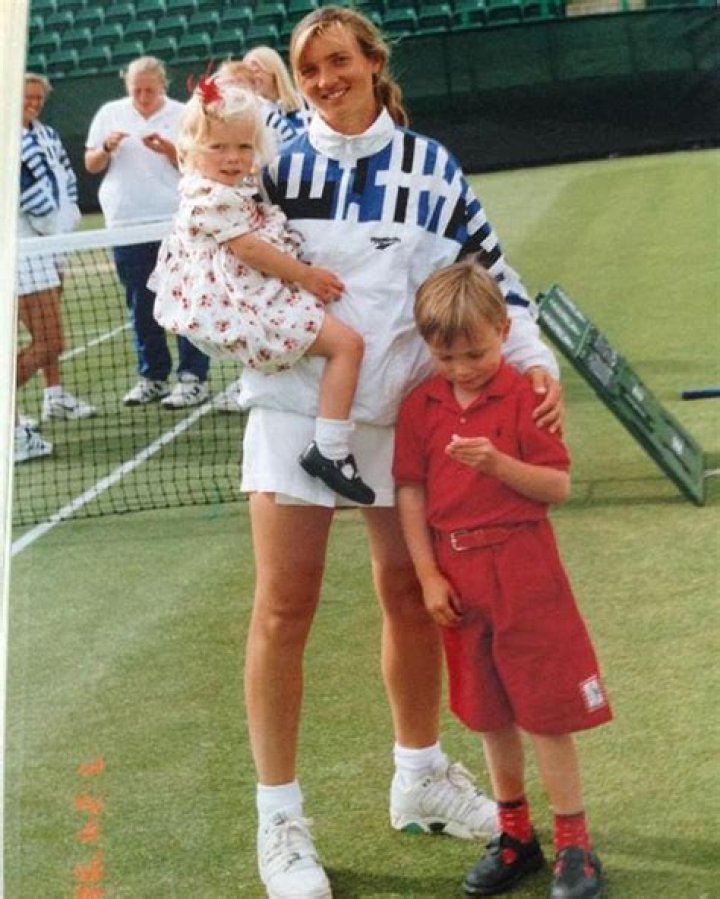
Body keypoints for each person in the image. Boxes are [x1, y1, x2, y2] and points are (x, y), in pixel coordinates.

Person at [238, 7, 563, 898]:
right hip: (291, 407)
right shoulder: (269, 159)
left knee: (412, 597)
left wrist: (534, 363)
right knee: (283, 607)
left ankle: (418, 775)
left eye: (338, 61)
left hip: (399, 414)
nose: (324, 79)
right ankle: (281, 821)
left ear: (375, 62)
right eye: (309, 68)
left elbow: (494, 277)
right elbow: (212, 244)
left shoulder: (431, 165)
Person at [393, 261, 612, 898]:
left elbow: (558, 487)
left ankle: (575, 845)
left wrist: (497, 463)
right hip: (458, 576)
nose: (462, 369)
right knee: (490, 716)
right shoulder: (422, 406)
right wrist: (429, 574)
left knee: (545, 712)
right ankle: (516, 836)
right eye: (446, 356)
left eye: (477, 353)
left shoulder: (526, 396)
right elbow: (410, 492)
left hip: (524, 566)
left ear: (503, 329)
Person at [151, 77, 374, 504]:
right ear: (191, 149)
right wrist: (305, 277)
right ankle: (330, 451)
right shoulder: (209, 198)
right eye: (218, 148)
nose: (234, 159)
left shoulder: (224, 189)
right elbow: (250, 249)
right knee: (348, 346)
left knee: (343, 344)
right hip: (254, 304)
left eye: (243, 147)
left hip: (257, 294)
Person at [84, 56, 211, 410]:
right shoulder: (110, 112)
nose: (142, 97)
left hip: (175, 221)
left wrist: (168, 150)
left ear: (163, 86)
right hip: (125, 223)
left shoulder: (184, 113)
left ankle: (193, 378)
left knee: (186, 298)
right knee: (142, 304)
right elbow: (91, 164)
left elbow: (199, 163)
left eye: (149, 90)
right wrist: (107, 147)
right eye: (136, 90)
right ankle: (153, 376)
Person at [15, 71, 96, 464]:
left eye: (37, 99)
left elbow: (63, 178)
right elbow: (33, 197)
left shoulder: (45, 134)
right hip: (28, 252)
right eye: (25, 97)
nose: (32, 104)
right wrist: (55, 230)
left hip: (49, 248)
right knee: (49, 341)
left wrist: (69, 226)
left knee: (47, 338)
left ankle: (49, 400)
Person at [243, 45, 313, 137]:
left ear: (273, 71)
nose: (251, 77)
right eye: (247, 73)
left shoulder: (306, 102)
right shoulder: (251, 114)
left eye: (256, 71)